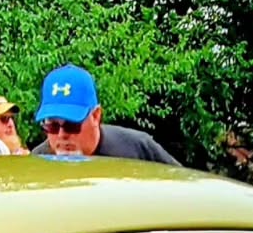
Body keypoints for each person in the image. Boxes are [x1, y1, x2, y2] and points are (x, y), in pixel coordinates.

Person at [31, 65, 179, 163]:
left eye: (72, 125)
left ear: (96, 116)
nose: (62, 135)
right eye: (52, 126)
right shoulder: (39, 161)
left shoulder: (138, 149)